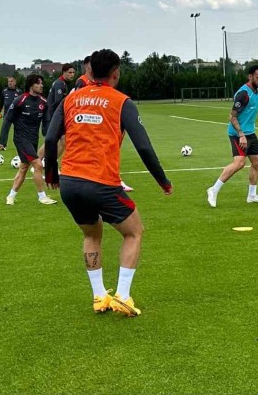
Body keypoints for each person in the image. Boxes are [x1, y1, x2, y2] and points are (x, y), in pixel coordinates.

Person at [44, 49, 172, 317]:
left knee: (91, 234)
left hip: (70, 182)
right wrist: (163, 181)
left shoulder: (71, 99)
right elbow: (144, 147)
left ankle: (99, 296)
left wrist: (51, 174)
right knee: (134, 232)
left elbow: (50, 138)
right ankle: (122, 296)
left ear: (90, 71)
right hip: (101, 181)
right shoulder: (122, 101)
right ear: (116, 73)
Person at [206, 65, 258, 208]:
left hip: (250, 132)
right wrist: (241, 135)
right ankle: (213, 190)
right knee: (239, 163)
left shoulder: (256, 91)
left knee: (257, 162)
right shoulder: (244, 94)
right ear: (250, 77)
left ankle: (252, 196)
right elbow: (232, 116)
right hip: (238, 133)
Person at [74, 55, 135, 192]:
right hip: (88, 123)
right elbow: (79, 102)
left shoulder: (101, 85)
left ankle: (114, 177)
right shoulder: (82, 82)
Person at [0, 74, 57, 206]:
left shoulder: (43, 102)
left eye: (41, 83)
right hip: (21, 139)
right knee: (38, 165)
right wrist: (2, 141)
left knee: (24, 167)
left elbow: (46, 122)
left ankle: (11, 196)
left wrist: (49, 136)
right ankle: (42, 197)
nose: (41, 85)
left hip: (33, 139)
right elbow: (7, 120)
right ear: (31, 85)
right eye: (38, 83)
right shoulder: (20, 100)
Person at [45, 64, 75, 157]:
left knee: (55, 140)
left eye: (73, 73)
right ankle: (46, 161)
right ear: (64, 72)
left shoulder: (63, 83)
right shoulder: (60, 83)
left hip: (54, 115)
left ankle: (43, 161)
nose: (72, 75)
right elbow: (58, 101)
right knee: (59, 140)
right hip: (53, 116)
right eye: (70, 72)